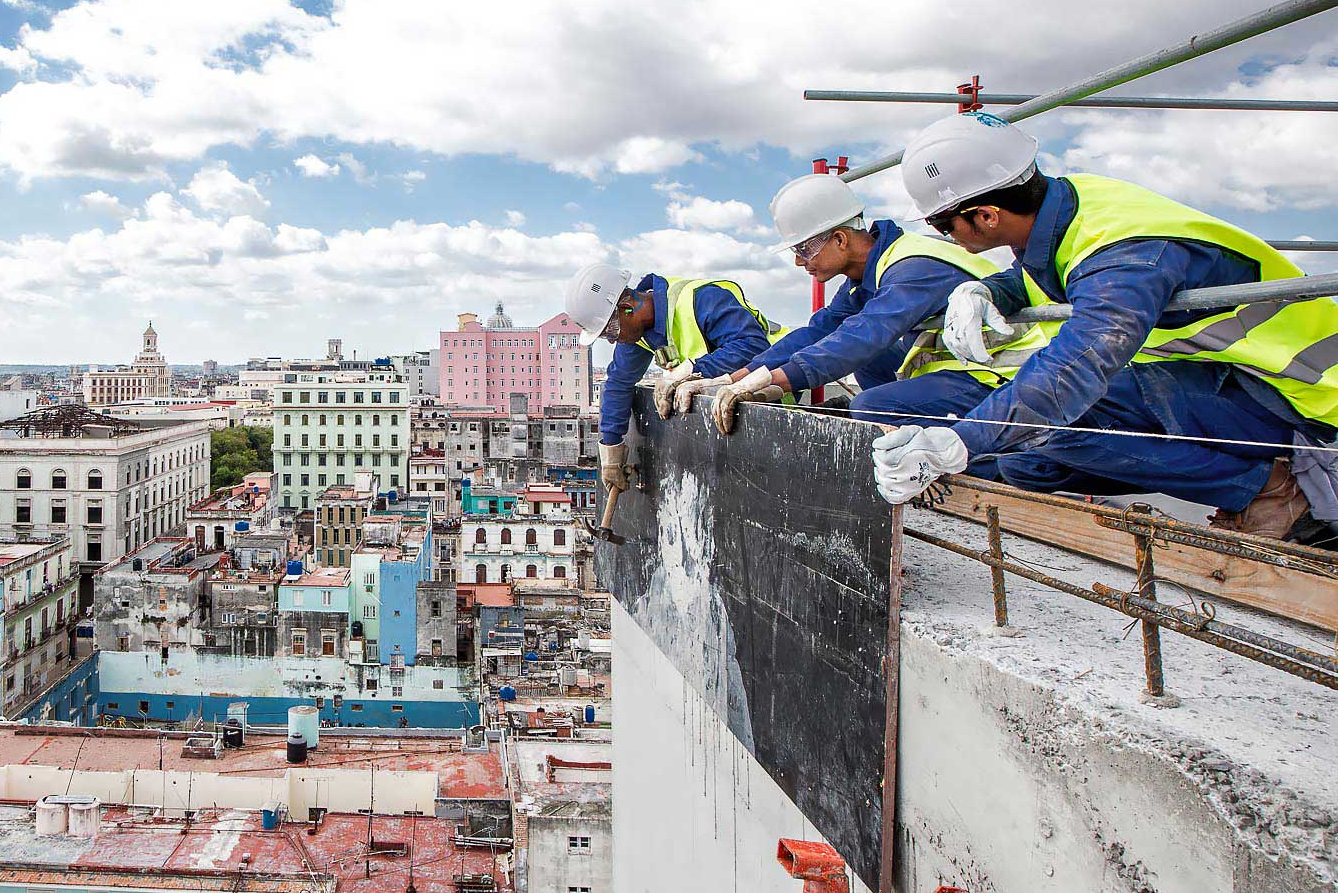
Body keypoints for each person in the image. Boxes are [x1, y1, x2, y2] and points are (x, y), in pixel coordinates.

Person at [871, 112, 1338, 547]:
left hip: (1299, 397)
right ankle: (1243, 482)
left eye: (942, 224)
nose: (945, 236)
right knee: (1026, 463)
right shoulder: (1076, 205)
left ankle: (1272, 491)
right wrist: (987, 291)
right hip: (1230, 380)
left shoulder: (1128, 256)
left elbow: (1074, 371)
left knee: (1054, 424)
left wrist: (960, 441)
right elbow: (1047, 276)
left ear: (987, 215)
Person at [693, 173, 1016, 434]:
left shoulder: (914, 266)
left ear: (840, 239)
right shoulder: (867, 277)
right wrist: (735, 378)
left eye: (804, 249)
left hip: (1001, 380)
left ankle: (962, 455)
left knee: (870, 407)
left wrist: (774, 380)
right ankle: (905, 430)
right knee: (867, 364)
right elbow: (818, 332)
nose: (799, 261)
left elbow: (863, 336)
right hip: (962, 370)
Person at [562, 263, 786, 496]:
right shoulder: (640, 332)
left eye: (611, 331)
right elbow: (618, 382)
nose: (611, 340)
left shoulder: (701, 299)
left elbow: (753, 347)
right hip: (728, 420)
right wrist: (611, 452)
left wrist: (690, 371)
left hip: (777, 399)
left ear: (627, 309)